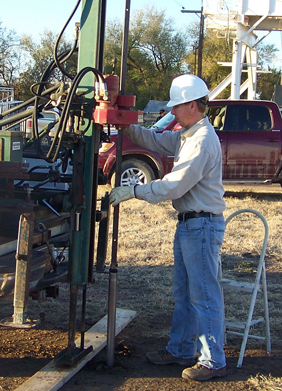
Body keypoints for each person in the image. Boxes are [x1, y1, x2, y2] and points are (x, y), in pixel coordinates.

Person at [109, 74, 227, 382]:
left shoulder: (201, 141)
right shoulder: (189, 134)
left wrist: (134, 191)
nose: (172, 113)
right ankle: (180, 349)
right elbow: (155, 139)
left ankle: (212, 359)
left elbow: (174, 186)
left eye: (176, 107)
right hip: (192, 224)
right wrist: (126, 125)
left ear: (191, 105)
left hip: (201, 225)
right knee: (186, 293)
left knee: (203, 295)